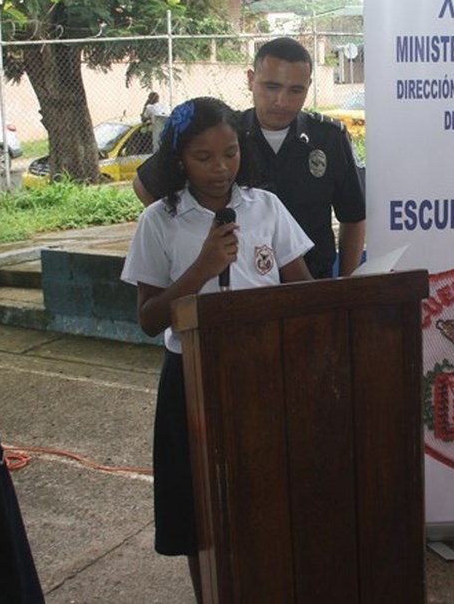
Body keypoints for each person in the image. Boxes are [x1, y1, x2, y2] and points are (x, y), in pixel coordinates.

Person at [120, 96, 313, 602]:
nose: (221, 168)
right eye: (203, 157)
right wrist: (203, 268)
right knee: (199, 510)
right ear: (179, 159)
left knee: (267, 498)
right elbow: (149, 319)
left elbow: (304, 290)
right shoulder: (159, 221)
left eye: (230, 153)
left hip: (265, 373)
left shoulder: (266, 208)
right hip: (191, 380)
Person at [133, 37, 366, 279]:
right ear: (251, 80)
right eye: (271, 87)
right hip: (239, 280)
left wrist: (346, 285)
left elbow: (353, 217)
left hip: (311, 282)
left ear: (309, 85)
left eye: (296, 90)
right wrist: (188, 230)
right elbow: (144, 184)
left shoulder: (329, 138)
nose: (282, 101)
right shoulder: (225, 135)